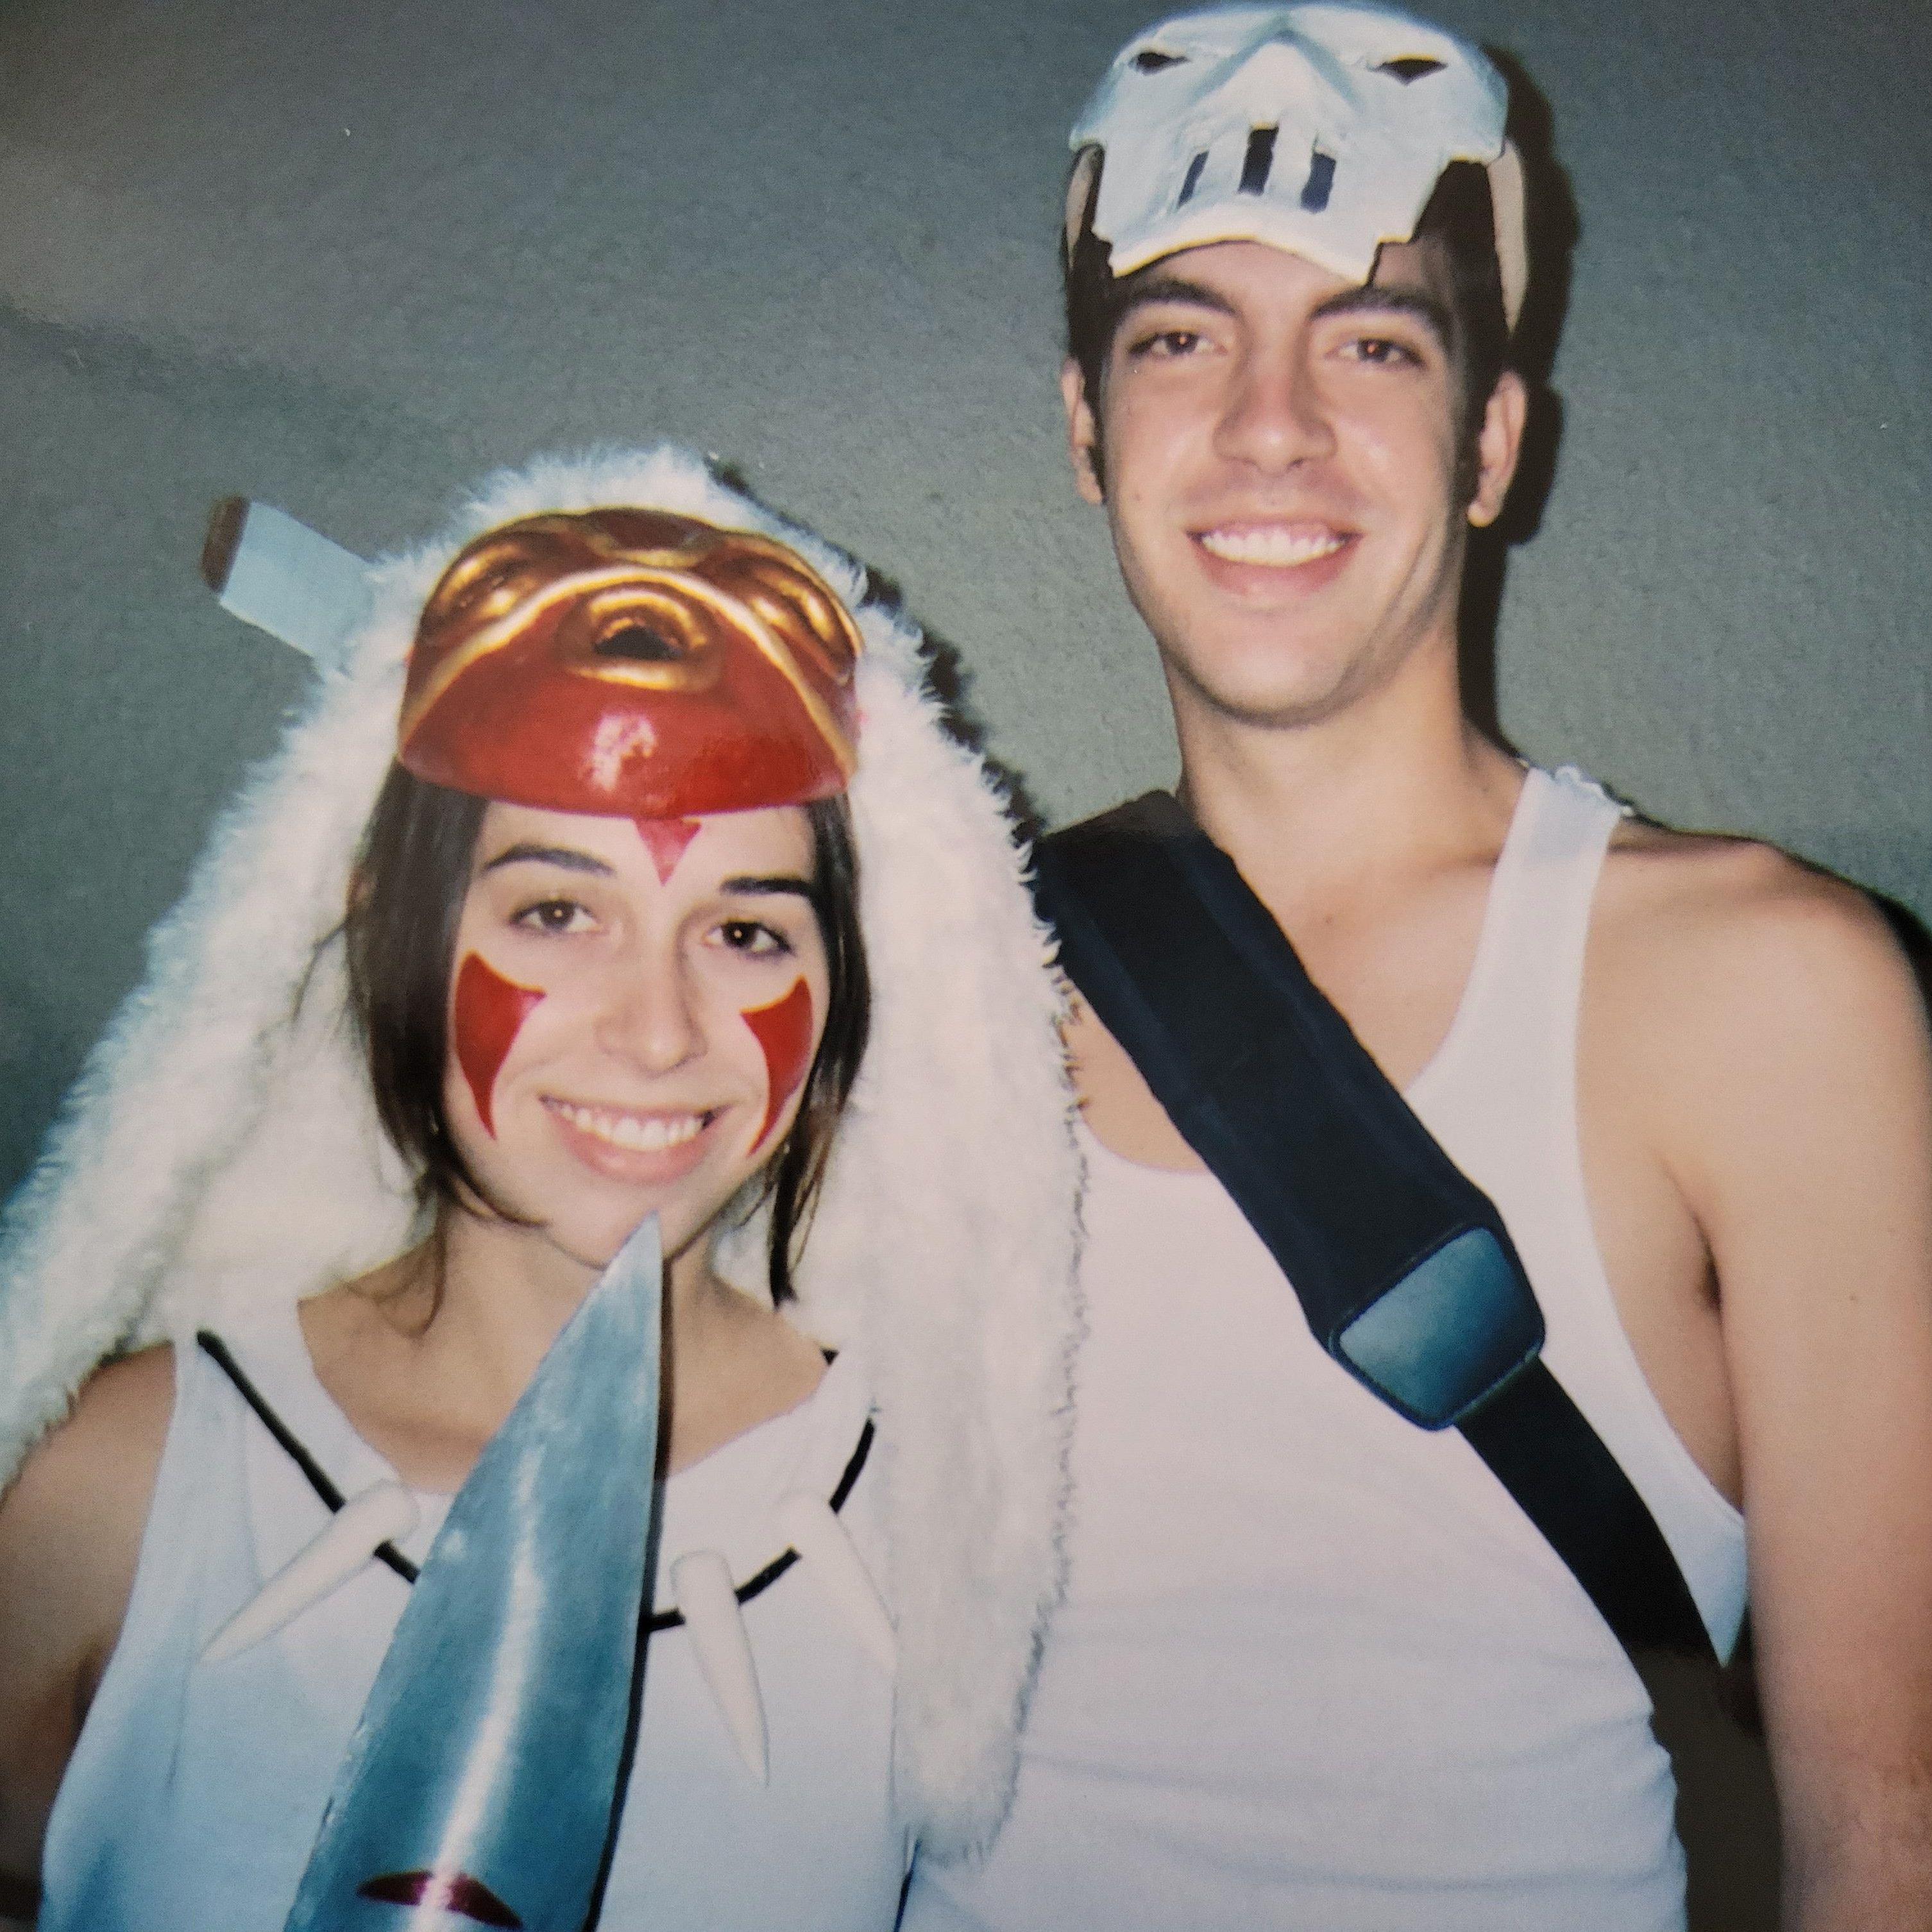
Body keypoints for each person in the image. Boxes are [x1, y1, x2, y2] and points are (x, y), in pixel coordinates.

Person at [904, 5, 1932, 1929]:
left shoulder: (1770, 994)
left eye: (1369, 341)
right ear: (1080, 426)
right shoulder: (928, 985)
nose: (1266, 423)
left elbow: (1887, 1835)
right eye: (1181, 337)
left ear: (1490, 439)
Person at [0, 448, 1083, 1929]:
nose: (657, 1033)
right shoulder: (116, 1488)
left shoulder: (933, 1527)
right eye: (559, 911)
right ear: (400, 931)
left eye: (748, 933)